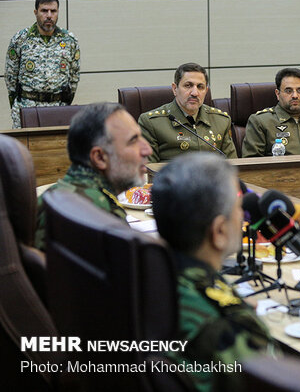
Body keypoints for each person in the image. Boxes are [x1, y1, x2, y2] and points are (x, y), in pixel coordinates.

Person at [151, 153, 278, 391]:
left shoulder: (156, 277)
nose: (243, 216)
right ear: (219, 232)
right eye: (239, 208)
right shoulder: (223, 329)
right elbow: (268, 377)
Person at [34, 103, 152, 250]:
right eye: (133, 141)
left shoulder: (53, 195)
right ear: (100, 158)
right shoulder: (104, 218)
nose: (147, 149)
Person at [5, 0, 80, 129]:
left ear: (58, 12)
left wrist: (64, 104)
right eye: (44, 11)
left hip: (58, 109)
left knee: (56, 149)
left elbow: (74, 77)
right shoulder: (20, 39)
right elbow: (11, 77)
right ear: (36, 12)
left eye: (53, 11)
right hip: (26, 108)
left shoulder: (69, 40)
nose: (49, 15)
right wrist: (17, 104)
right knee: (25, 149)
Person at [138, 62, 237, 161]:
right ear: (175, 89)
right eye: (188, 85)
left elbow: (234, 167)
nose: (195, 93)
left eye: (200, 87)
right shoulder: (152, 123)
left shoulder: (221, 121)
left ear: (206, 91)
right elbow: (148, 170)